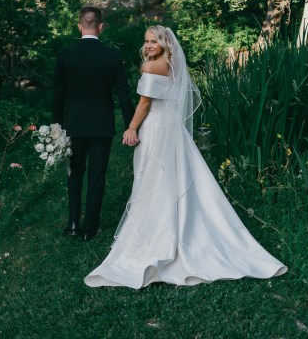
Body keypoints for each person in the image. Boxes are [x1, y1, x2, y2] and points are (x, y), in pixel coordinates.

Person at [85, 26, 287, 287]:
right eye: (145, 41)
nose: (148, 46)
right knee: (176, 176)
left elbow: (145, 104)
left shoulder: (150, 68)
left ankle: (157, 233)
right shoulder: (174, 63)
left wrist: (132, 127)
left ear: (164, 42)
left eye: (153, 42)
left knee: (153, 178)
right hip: (173, 128)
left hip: (157, 126)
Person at [52, 6, 135, 241]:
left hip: (75, 125)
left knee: (74, 174)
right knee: (97, 175)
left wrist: (56, 127)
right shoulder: (112, 56)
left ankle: (73, 224)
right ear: (101, 27)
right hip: (101, 126)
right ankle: (90, 228)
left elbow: (58, 94)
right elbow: (123, 95)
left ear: (80, 26)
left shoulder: (65, 55)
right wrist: (132, 125)